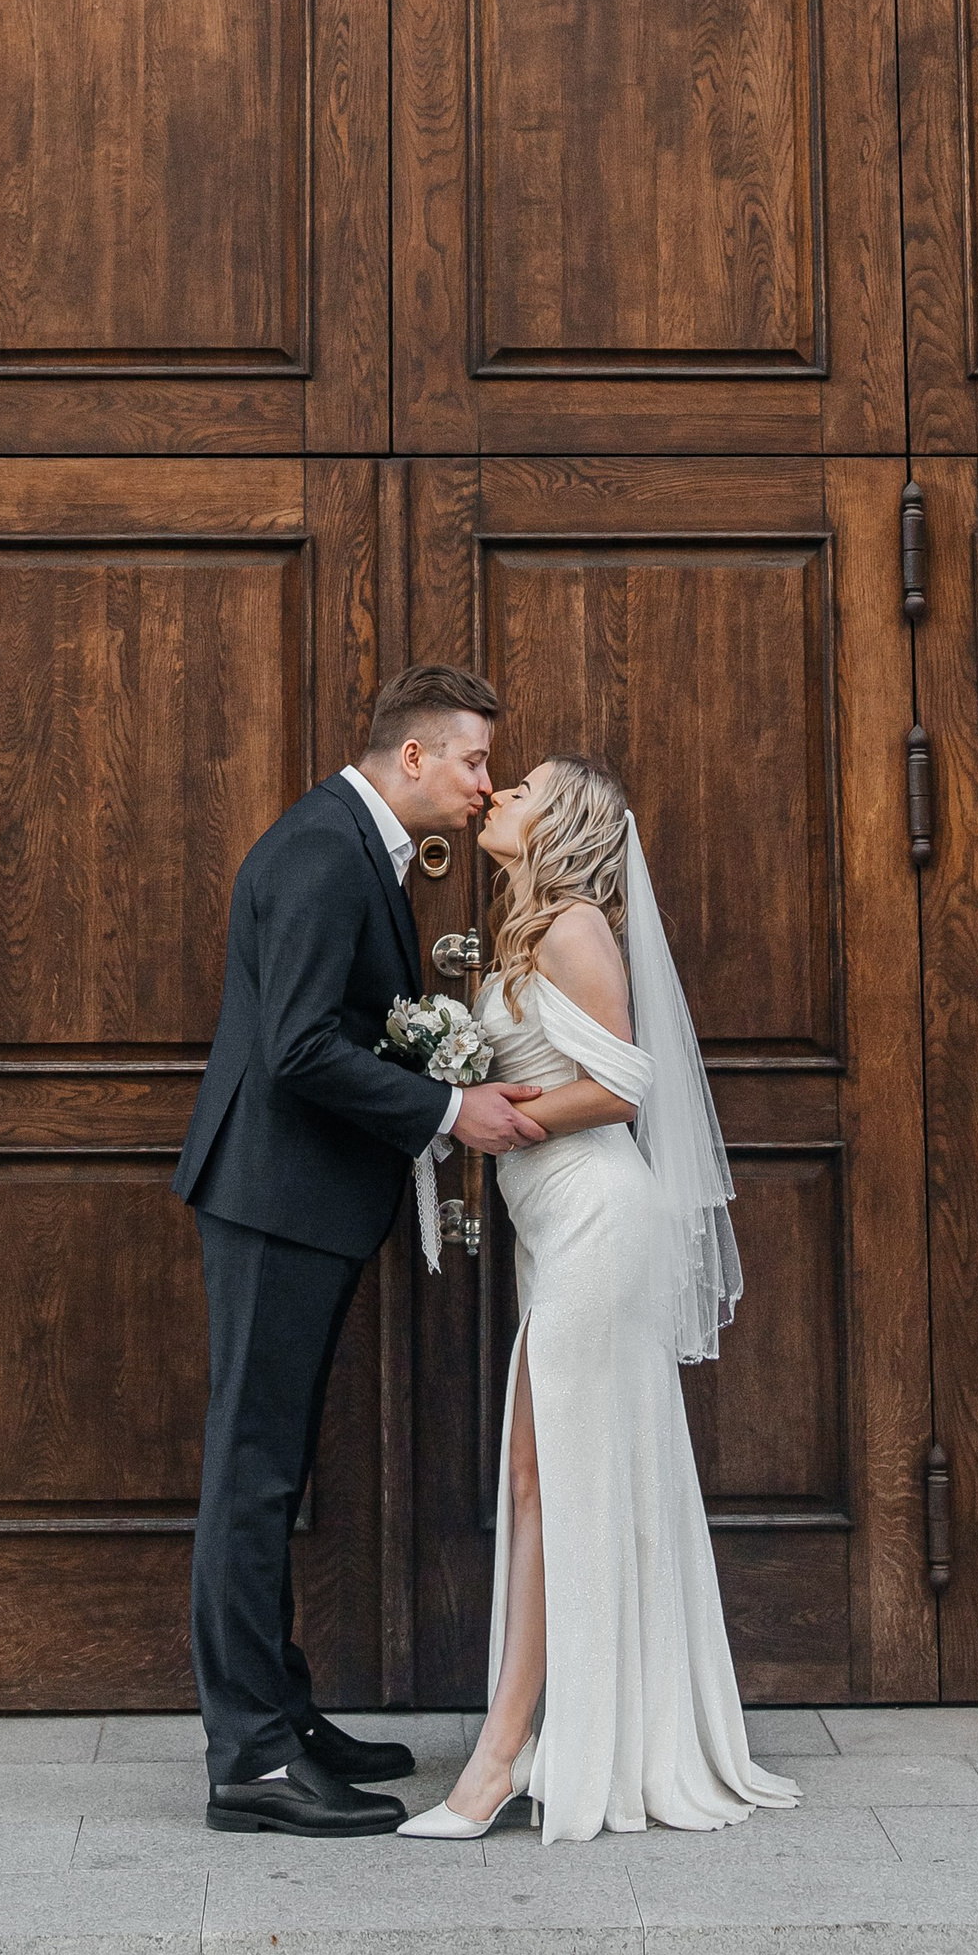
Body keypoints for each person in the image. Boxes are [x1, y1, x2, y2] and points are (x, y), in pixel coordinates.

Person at [175, 663, 549, 1838]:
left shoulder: (348, 840)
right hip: (276, 1198)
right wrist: (446, 1111)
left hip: (301, 1200)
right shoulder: (324, 849)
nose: (487, 782)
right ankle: (250, 1754)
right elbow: (292, 1048)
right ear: (413, 758)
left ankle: (282, 1710)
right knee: (253, 1472)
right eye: (477, 760)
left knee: (271, 1466)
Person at [399, 753, 799, 1845]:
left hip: (596, 1219)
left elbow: (624, 1084)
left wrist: (501, 1114)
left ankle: (498, 1758)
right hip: (555, 1225)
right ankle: (560, 1729)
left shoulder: (575, 925)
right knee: (548, 1476)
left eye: (519, 787)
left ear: (561, 820)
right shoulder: (529, 927)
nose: (499, 795)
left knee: (544, 1478)